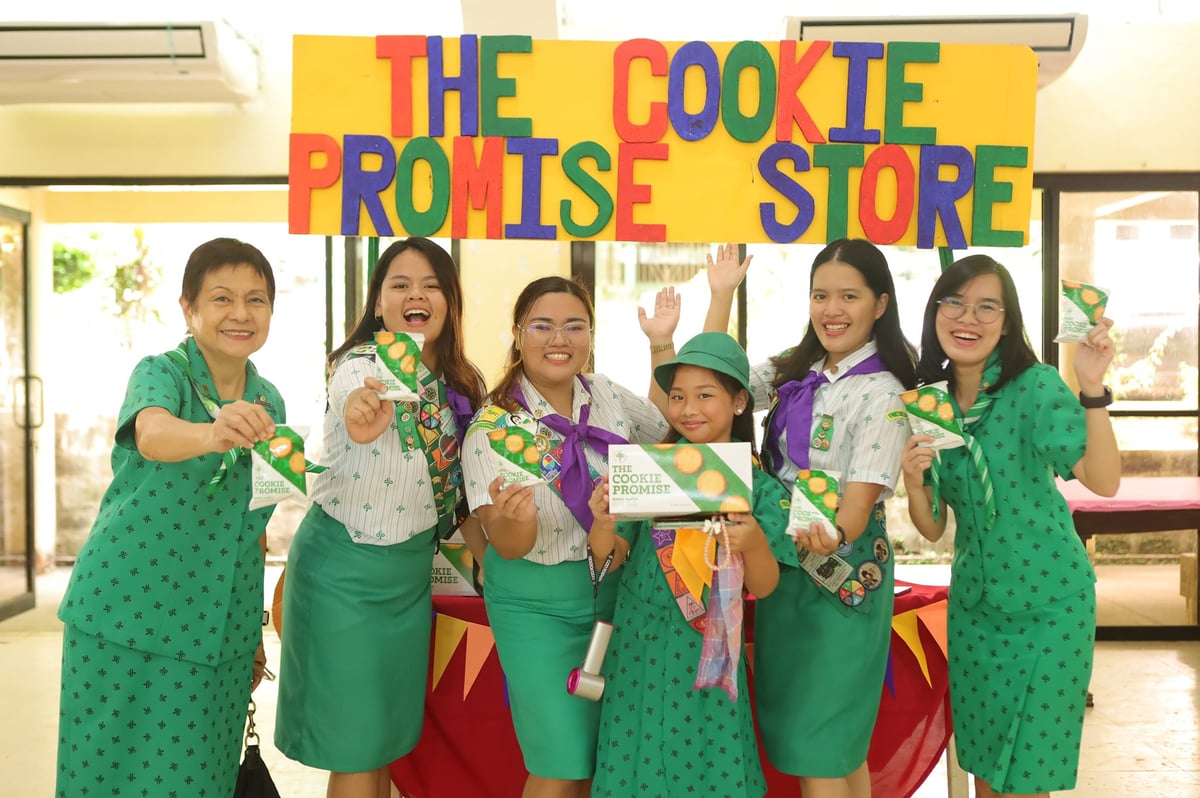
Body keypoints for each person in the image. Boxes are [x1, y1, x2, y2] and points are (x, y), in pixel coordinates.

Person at [55, 237, 284, 798]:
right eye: (222, 298)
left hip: (218, 630)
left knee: (200, 776)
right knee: (105, 774)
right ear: (189, 308)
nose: (239, 313)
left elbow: (252, 523)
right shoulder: (162, 373)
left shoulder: (270, 402)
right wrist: (212, 433)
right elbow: (152, 434)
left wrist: (252, 631)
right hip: (124, 612)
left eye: (256, 300)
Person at [703, 239, 917, 798]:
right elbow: (710, 385)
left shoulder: (884, 393)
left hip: (840, 576)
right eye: (821, 295)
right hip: (782, 572)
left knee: (818, 742)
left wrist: (834, 534)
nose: (832, 309)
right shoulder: (793, 373)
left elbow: (855, 509)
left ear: (881, 304)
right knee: (833, 746)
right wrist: (721, 296)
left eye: (849, 295)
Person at [900, 255, 1119, 798]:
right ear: (934, 314)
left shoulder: (1036, 387)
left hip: (1051, 606)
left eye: (985, 306)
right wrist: (912, 482)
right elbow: (931, 528)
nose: (966, 317)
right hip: (975, 612)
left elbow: (1104, 480)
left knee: (1028, 773)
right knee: (985, 768)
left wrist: (1091, 386)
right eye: (953, 302)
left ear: (1006, 319)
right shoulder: (931, 404)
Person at [275, 237, 486, 798]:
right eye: (400, 284)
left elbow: (464, 493)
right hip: (343, 575)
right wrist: (359, 411)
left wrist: (493, 566)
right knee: (355, 748)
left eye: (431, 285)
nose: (416, 295)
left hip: (408, 585)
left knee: (383, 746)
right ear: (378, 304)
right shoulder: (360, 364)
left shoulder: (461, 389)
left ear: (449, 301)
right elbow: (354, 393)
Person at [461, 276, 668, 798]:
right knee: (560, 763)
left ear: (591, 335)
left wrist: (662, 344)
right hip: (537, 610)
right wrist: (518, 518)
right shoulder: (493, 427)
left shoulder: (607, 395)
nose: (560, 338)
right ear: (518, 333)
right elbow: (507, 546)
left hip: (618, 600)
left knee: (606, 758)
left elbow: (668, 431)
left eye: (574, 326)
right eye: (543, 325)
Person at [589, 331, 796, 798]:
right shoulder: (648, 472)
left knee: (707, 770)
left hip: (708, 660)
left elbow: (765, 587)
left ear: (740, 400)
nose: (689, 409)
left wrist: (756, 543)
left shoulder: (757, 488)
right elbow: (610, 558)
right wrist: (603, 522)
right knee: (635, 770)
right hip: (638, 652)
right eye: (678, 396)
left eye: (706, 395)